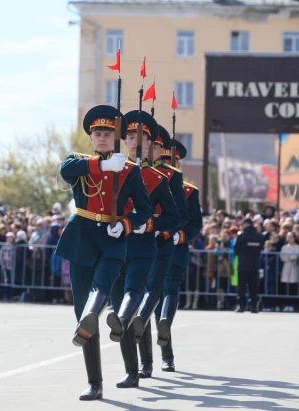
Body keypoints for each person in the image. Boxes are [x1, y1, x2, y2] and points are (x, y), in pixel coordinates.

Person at [54, 104, 152, 401]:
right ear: (91, 138)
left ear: (116, 137)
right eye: (97, 134)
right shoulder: (80, 161)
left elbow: (145, 210)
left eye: (108, 134)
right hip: (82, 236)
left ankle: (93, 316)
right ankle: (94, 382)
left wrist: (125, 223)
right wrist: (101, 166)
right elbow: (64, 171)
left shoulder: (130, 170)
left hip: (112, 239)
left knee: (101, 289)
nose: (102, 138)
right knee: (81, 309)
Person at [107, 112, 179, 389]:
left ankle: (137, 368)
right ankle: (136, 366)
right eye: (130, 137)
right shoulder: (113, 170)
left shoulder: (158, 178)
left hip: (146, 246)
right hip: (114, 246)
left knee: (132, 303)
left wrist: (148, 223)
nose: (136, 143)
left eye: (142, 139)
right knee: (121, 309)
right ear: (124, 141)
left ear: (150, 144)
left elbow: (174, 217)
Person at [135, 126, 190, 380]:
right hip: (135, 244)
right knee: (139, 302)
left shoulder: (171, 176)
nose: (154, 150)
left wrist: (163, 230)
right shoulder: (130, 170)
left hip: (162, 243)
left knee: (154, 299)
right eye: (151, 144)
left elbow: (181, 215)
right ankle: (145, 363)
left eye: (158, 146)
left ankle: (166, 356)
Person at [153, 139, 201, 373]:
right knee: (154, 298)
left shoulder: (190, 192)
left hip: (176, 248)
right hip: (152, 247)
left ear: (178, 164)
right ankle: (155, 358)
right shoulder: (149, 183)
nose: (167, 165)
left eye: (171, 161)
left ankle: (166, 352)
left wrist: (179, 236)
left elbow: (195, 225)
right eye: (163, 160)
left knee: (170, 291)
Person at [234, 218, 264, 313]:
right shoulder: (259, 236)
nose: (241, 226)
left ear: (247, 224)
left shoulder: (242, 236)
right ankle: (254, 306)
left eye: (242, 224)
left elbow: (236, 250)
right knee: (253, 287)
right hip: (255, 265)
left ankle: (241, 306)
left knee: (241, 286)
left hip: (243, 264)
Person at [280, 232, 299, 312]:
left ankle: (292, 304)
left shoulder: (297, 247)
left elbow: (295, 256)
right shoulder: (284, 247)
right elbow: (282, 256)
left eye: (290, 237)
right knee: (286, 286)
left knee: (292, 286)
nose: (289, 238)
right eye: (288, 237)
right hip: (286, 266)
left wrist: (289, 257)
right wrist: (289, 258)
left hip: (293, 266)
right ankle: (286, 304)